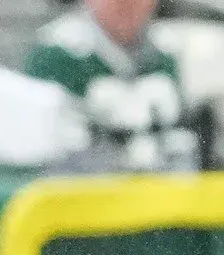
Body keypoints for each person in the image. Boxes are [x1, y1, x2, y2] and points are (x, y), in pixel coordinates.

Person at [24, 0, 199, 172]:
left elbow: (182, 141)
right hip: (81, 192)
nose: (127, 3)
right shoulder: (57, 52)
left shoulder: (166, 49)